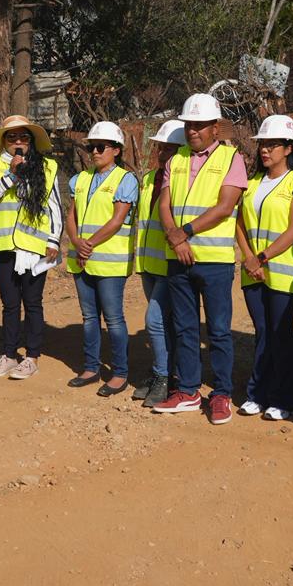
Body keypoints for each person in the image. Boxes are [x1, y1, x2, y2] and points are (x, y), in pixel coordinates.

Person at [152, 93, 247, 425]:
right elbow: (164, 204)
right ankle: (189, 390)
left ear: (215, 128)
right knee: (185, 328)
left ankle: (221, 394)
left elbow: (225, 206)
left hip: (215, 261)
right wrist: (173, 236)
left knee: (219, 331)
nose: (193, 131)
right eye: (189, 125)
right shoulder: (175, 160)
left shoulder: (232, 159)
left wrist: (184, 231)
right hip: (178, 257)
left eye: (200, 125)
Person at [235, 115, 293, 421]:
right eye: (262, 144)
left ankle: (284, 398)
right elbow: (239, 223)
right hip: (252, 271)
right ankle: (257, 393)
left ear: (289, 147)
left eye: (272, 144)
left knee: (280, 335)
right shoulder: (253, 182)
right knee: (262, 333)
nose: (265, 150)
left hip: (282, 272)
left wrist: (262, 257)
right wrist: (248, 257)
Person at [0, 114, 63, 380]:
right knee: (10, 304)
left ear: (31, 141)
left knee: (33, 302)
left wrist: (53, 239)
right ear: (4, 141)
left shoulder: (47, 166)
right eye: (12, 137)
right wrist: (11, 175)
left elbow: (55, 207)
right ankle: (8, 354)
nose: (18, 141)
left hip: (34, 246)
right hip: (4, 245)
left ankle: (32, 357)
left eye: (23, 137)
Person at [65, 121, 138, 396]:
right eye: (91, 147)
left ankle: (120, 373)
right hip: (82, 260)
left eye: (100, 147)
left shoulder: (125, 180)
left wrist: (89, 243)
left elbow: (117, 220)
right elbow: (71, 215)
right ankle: (91, 367)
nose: (94, 151)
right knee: (88, 317)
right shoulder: (80, 179)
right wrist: (75, 241)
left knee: (114, 319)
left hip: (109, 263)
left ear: (116, 150)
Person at [131, 119, 185, 408]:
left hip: (170, 264)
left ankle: (164, 377)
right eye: (161, 147)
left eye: (169, 149)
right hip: (149, 264)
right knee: (164, 324)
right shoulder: (151, 179)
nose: (161, 153)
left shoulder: (182, 182)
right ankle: (165, 373)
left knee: (154, 321)